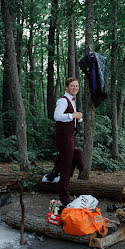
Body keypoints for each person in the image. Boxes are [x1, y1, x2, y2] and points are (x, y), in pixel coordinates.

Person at [42, 77, 84, 207]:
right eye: (72, 86)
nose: (75, 88)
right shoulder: (62, 100)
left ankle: (53, 174)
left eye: (76, 86)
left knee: (72, 158)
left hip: (69, 136)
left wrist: (78, 119)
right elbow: (57, 116)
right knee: (68, 165)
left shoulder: (72, 100)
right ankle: (64, 198)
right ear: (66, 87)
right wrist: (72, 116)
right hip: (64, 138)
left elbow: (71, 116)